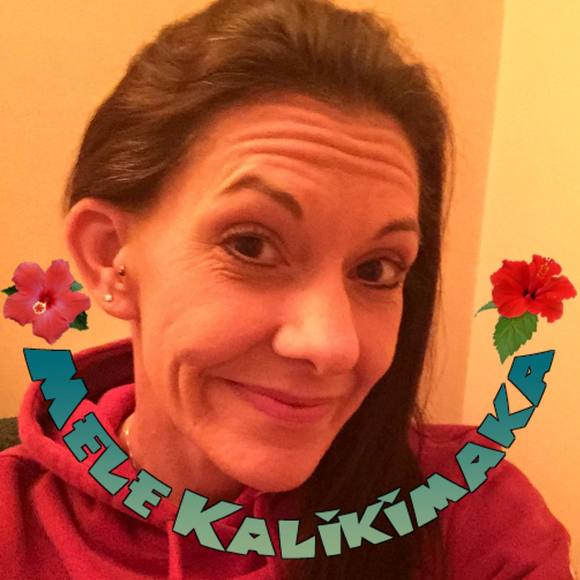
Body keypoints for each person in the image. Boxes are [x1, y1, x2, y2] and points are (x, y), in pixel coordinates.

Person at [0, 0, 573, 578]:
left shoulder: (471, 517)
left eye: (376, 270)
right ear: (108, 258)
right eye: (251, 245)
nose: (332, 345)